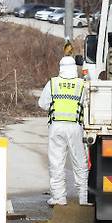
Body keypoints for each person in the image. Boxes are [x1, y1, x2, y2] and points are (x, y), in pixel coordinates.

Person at [38, 55, 89, 206]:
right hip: (75, 127)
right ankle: (83, 197)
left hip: (56, 127)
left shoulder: (53, 83)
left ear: (60, 68)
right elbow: (87, 105)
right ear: (75, 68)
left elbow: (42, 103)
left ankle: (59, 198)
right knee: (80, 162)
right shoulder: (82, 84)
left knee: (56, 163)